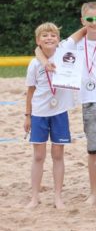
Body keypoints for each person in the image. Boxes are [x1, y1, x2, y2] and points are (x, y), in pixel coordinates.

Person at [36, 2, 96, 205]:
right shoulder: (74, 44)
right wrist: (88, 28)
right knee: (94, 150)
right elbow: (39, 48)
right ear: (82, 21)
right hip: (89, 101)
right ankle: (94, 192)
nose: (94, 23)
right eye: (90, 19)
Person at [24, 22, 76, 209]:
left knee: (58, 155)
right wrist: (27, 115)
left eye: (53, 35)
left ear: (58, 40)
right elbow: (30, 91)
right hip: (39, 113)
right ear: (38, 40)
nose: (49, 38)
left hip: (59, 112)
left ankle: (57, 197)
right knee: (38, 156)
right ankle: (35, 197)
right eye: (44, 35)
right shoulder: (34, 64)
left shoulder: (66, 58)